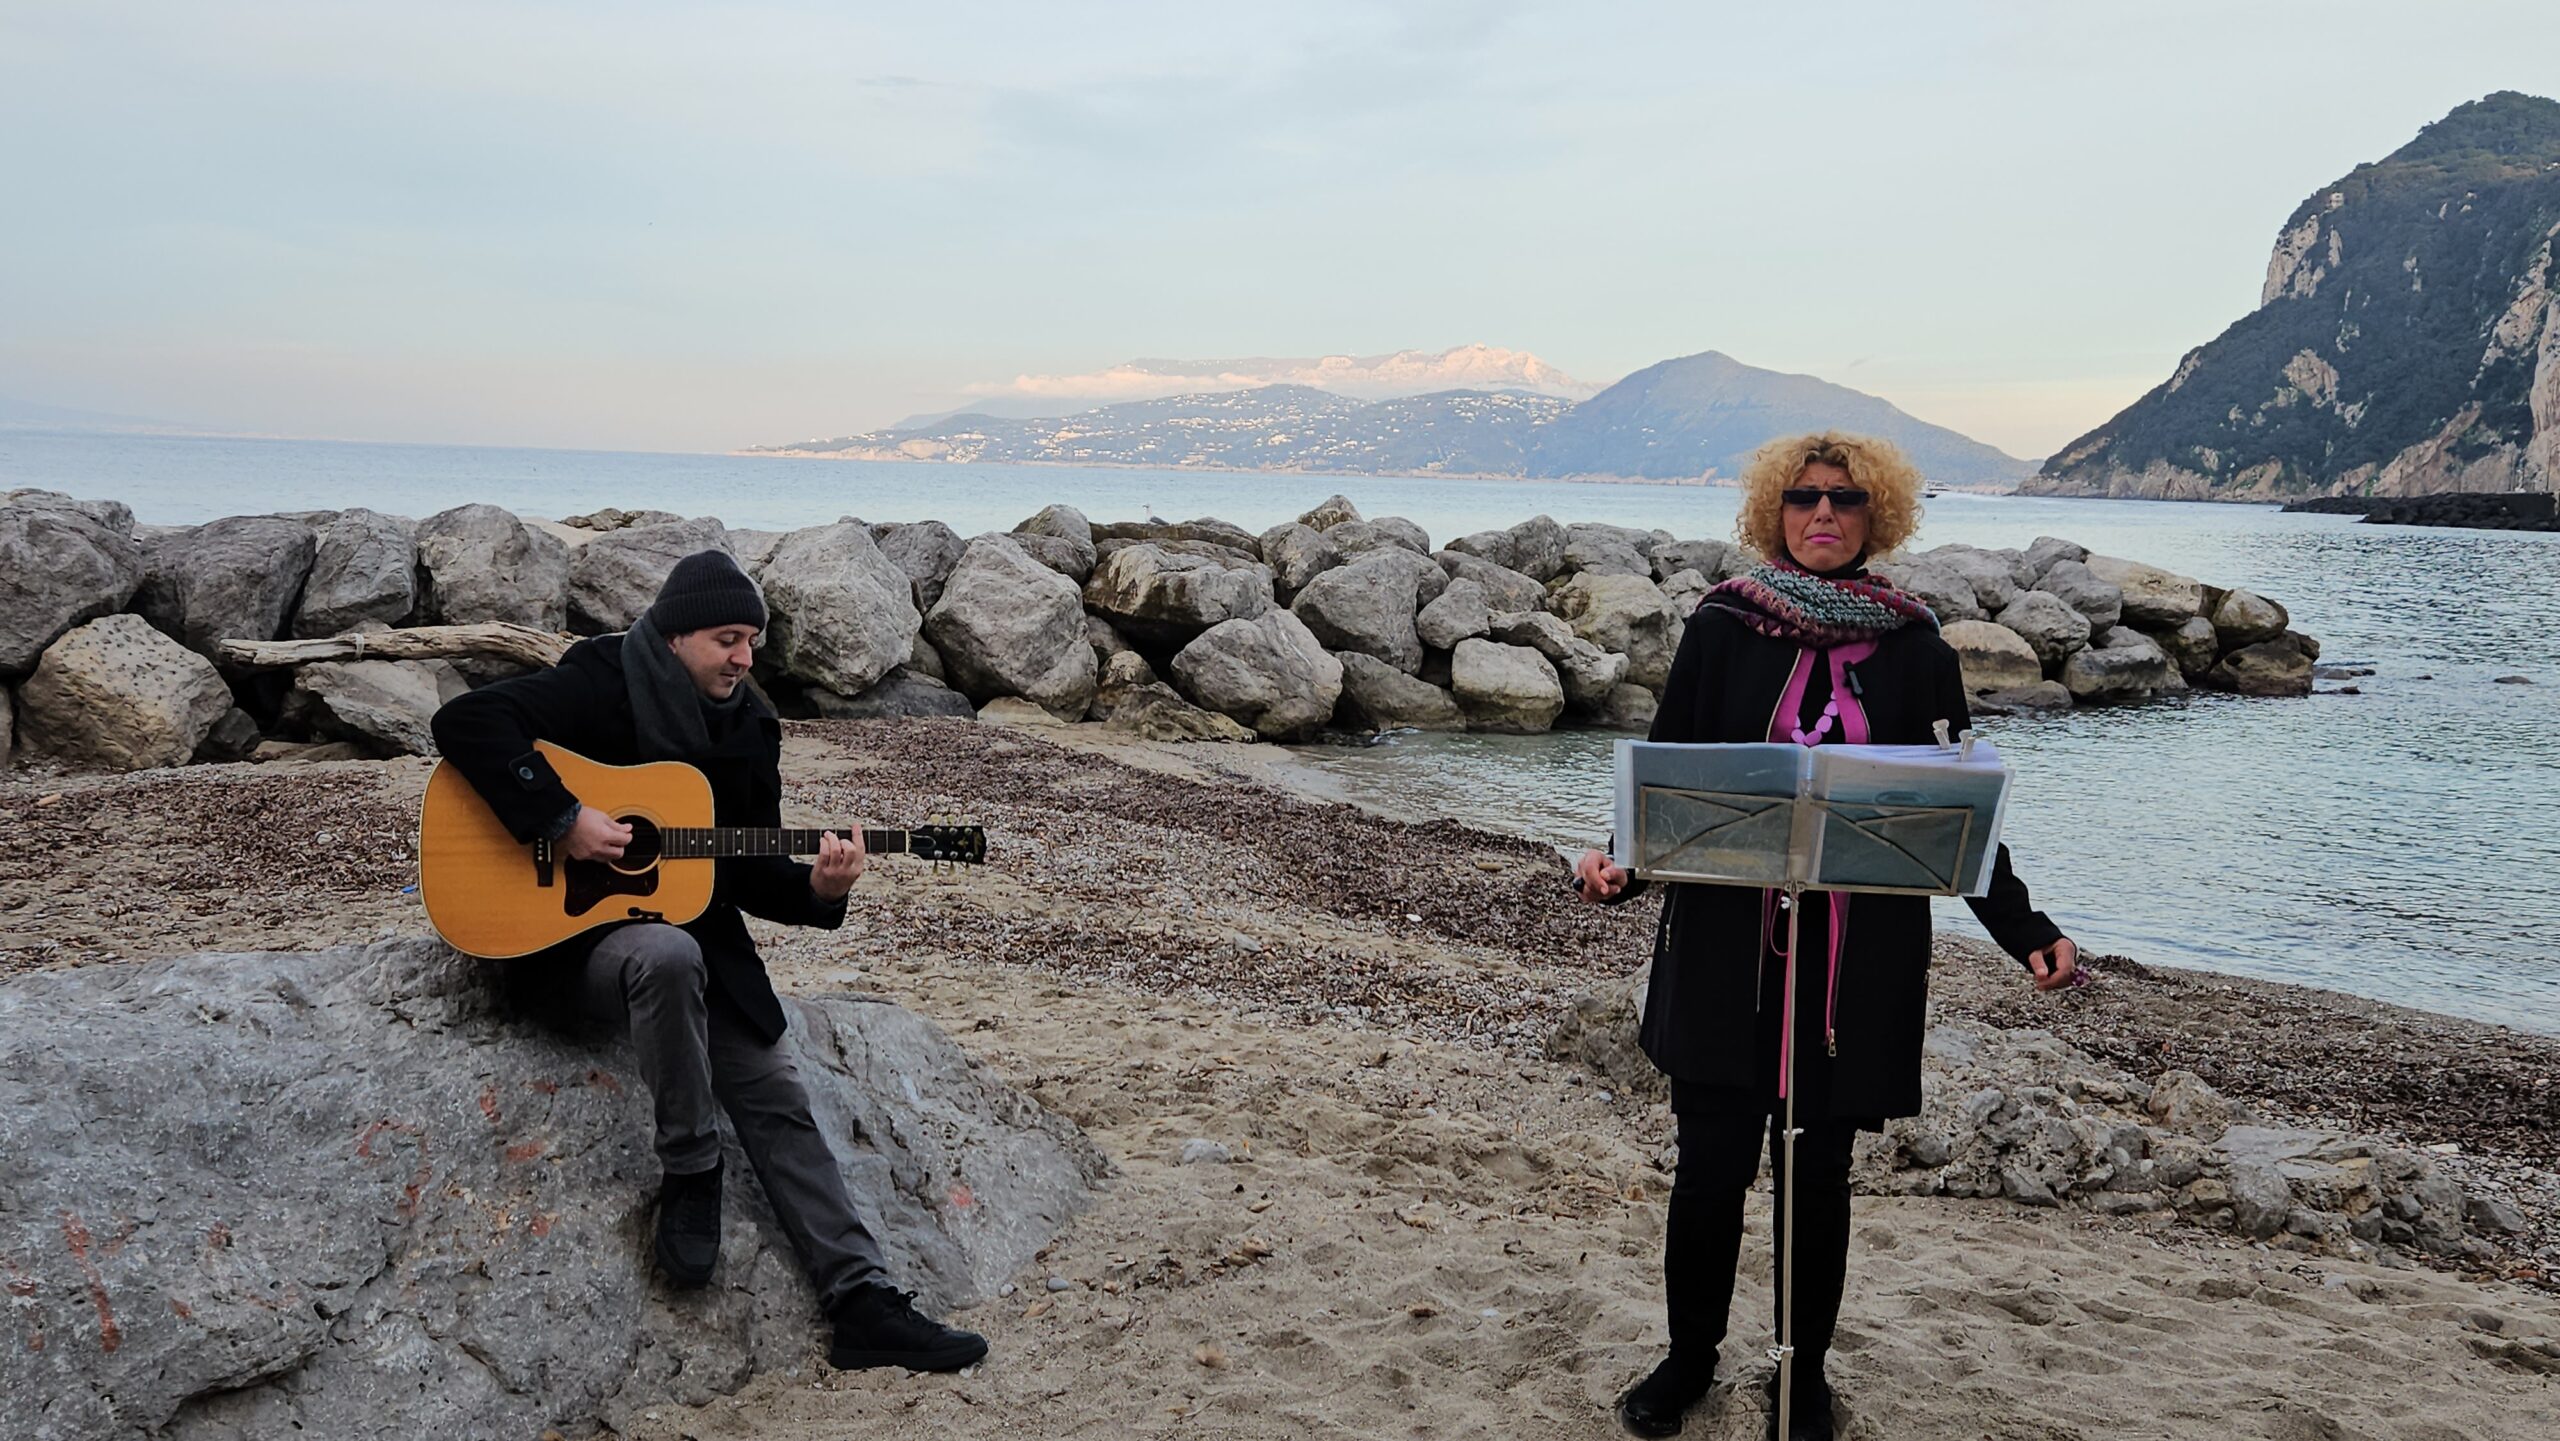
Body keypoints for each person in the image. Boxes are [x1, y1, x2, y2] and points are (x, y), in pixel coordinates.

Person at [1573, 433, 2078, 1440]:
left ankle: (1799, 1378)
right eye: (1803, 497)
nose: (1822, 514)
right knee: (1710, 1167)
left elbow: (1951, 811)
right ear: (1774, 511)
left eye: (1845, 500)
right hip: (1724, 953)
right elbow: (1665, 784)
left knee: (1816, 1176)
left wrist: (2022, 926)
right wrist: (1619, 866)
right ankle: (1687, 1362)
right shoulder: (1719, 630)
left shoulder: (1917, 647)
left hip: (1857, 971)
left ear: (1874, 516)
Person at [429, 549, 988, 1373]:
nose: (743, 658)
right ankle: (693, 1169)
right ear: (676, 633)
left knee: (778, 1092)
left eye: (752, 641)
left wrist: (823, 889)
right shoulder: (598, 678)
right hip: (566, 942)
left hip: (698, 946)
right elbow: (465, 723)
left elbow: (749, 868)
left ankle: (863, 1301)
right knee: (665, 949)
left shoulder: (749, 724)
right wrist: (560, 816)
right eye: (728, 639)